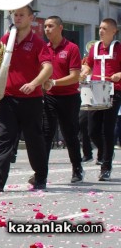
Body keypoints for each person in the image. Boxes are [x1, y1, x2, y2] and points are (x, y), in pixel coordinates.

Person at [0, 5, 52, 192]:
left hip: (31, 99)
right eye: (15, 15)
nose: (17, 18)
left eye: (21, 15)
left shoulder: (38, 43)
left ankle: (41, 176)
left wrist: (34, 83)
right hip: (8, 98)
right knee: (4, 138)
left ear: (30, 18)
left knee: (34, 140)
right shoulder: (5, 39)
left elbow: (48, 68)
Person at [41, 16, 84, 183]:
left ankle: (77, 168)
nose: (47, 29)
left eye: (50, 26)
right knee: (46, 133)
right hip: (50, 97)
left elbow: (75, 77)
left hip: (69, 97)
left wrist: (54, 82)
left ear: (60, 28)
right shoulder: (44, 49)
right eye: (45, 26)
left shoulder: (72, 48)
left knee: (70, 134)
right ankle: (41, 172)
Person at [80, 18, 121, 181]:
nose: (101, 31)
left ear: (114, 31)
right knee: (92, 130)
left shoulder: (119, 47)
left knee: (108, 129)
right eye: (100, 28)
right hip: (95, 89)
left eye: (105, 28)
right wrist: (85, 70)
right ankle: (104, 152)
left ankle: (106, 166)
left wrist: (119, 75)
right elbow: (88, 65)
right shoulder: (94, 48)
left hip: (114, 91)